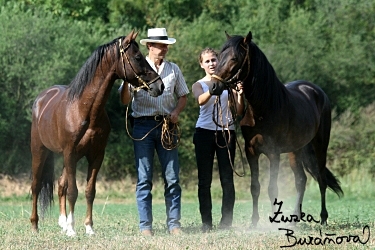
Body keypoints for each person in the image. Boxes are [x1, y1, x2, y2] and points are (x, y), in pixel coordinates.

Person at [119, 28, 189, 236]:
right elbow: (123, 100)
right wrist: (125, 82)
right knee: (144, 179)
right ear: (150, 46)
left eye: (166, 45)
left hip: (168, 126)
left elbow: (183, 95)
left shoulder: (173, 69)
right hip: (142, 126)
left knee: (173, 178)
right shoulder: (136, 67)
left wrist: (176, 112)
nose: (165, 48)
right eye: (161, 45)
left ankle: (174, 225)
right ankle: (145, 227)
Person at [192, 48, 244, 232]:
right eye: (207, 61)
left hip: (226, 132)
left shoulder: (229, 83)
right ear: (202, 65)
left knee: (227, 179)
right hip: (204, 132)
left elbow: (237, 110)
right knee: (204, 180)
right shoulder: (199, 84)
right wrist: (214, 88)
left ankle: (226, 223)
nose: (211, 63)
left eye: (214, 60)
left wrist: (238, 94)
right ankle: (206, 222)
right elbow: (200, 101)